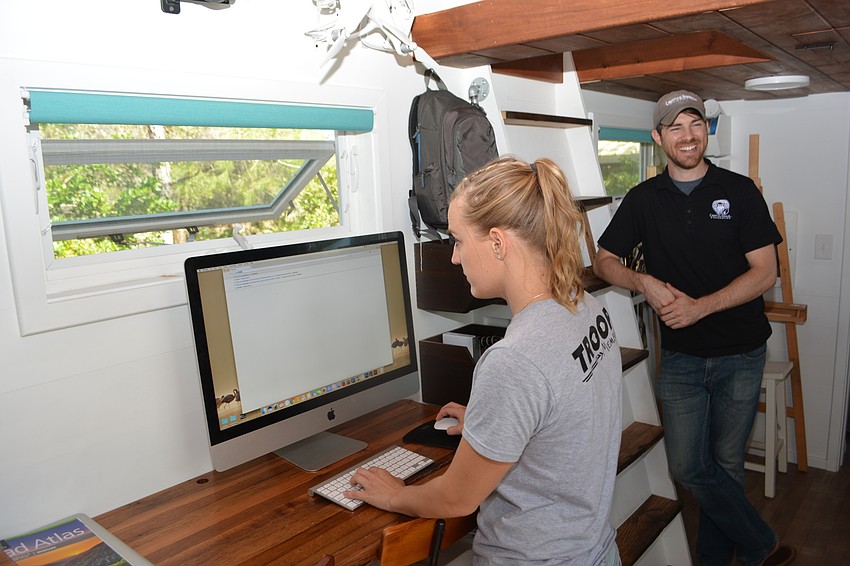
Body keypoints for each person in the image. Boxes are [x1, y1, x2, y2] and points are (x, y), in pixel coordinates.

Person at [346, 157, 624, 565]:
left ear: (497, 242)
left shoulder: (514, 360)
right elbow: (564, 413)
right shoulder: (585, 305)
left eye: (458, 240)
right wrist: (490, 423)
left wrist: (397, 494)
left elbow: (458, 498)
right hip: (594, 550)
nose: (455, 258)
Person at [593, 90, 795, 566]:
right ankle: (761, 542)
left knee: (725, 465)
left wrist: (701, 307)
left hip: (742, 355)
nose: (688, 136)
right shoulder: (644, 199)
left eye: (696, 124)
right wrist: (640, 279)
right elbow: (602, 261)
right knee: (688, 466)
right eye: (676, 127)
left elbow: (766, 272)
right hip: (682, 358)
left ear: (706, 131)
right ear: (658, 137)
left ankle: (714, 560)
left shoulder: (740, 191)